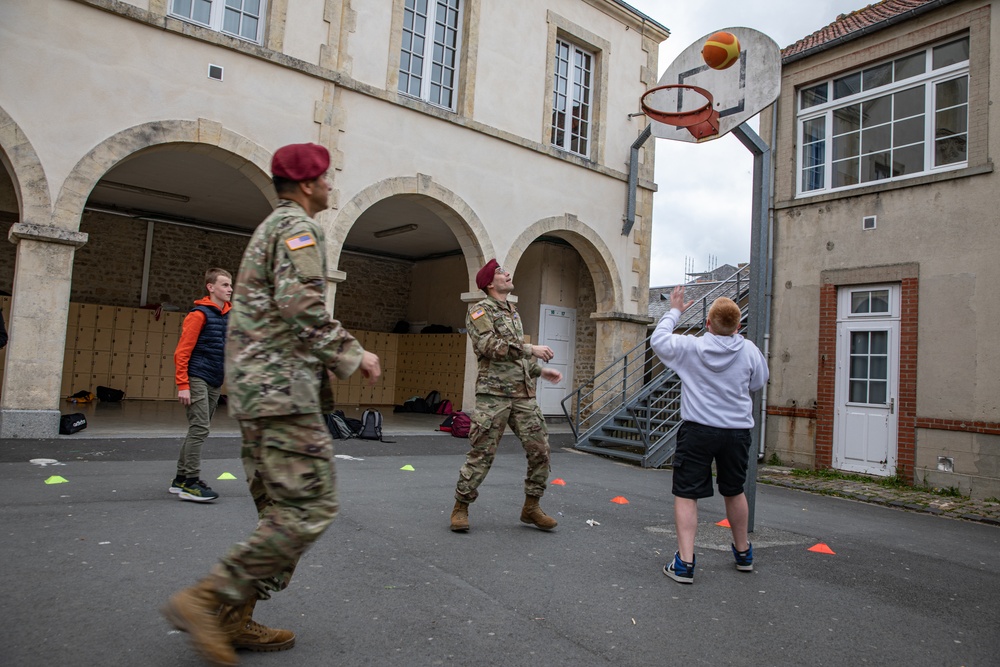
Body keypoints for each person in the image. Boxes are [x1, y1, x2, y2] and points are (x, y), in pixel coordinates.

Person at [161, 143, 381, 665]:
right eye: (327, 177)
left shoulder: (272, 228)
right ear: (307, 185)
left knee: (280, 513)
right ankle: (206, 598)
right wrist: (353, 352)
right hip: (281, 393)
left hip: (261, 392)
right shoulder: (298, 228)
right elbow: (300, 300)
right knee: (310, 508)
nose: (331, 184)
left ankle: (234, 620)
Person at [650, 286, 769, 584]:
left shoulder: (692, 348)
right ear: (738, 326)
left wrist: (675, 310)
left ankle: (685, 563)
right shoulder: (750, 350)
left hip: (699, 430)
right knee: (734, 489)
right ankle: (743, 553)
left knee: (687, 493)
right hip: (737, 432)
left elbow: (658, 340)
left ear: (707, 324)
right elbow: (759, 382)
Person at [449, 259, 563, 533]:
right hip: (494, 396)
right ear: (489, 283)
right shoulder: (479, 311)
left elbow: (515, 358)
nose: (508, 273)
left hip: (523, 396)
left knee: (541, 452)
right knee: (482, 454)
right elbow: (490, 346)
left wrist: (539, 370)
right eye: (501, 272)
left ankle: (531, 507)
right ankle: (461, 507)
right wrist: (529, 349)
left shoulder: (512, 310)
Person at [168, 268, 233, 503]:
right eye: (225, 285)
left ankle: (180, 479)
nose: (230, 289)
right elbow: (182, 352)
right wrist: (183, 385)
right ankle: (191, 483)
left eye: (230, 285)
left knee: (197, 428)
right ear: (211, 287)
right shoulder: (199, 314)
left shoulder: (230, 314)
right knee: (200, 428)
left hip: (215, 379)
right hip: (197, 377)